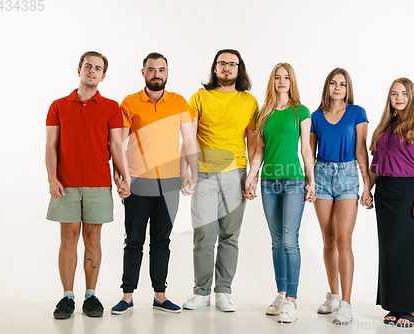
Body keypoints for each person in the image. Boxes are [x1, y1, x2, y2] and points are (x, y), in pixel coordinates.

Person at [110, 52, 198, 315]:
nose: (156, 74)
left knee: (161, 241)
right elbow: (120, 143)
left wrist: (192, 173)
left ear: (167, 73)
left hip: (169, 184)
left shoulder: (179, 102)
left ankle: (160, 295)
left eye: (161, 70)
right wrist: (121, 177)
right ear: (143, 73)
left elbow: (189, 141)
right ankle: (127, 296)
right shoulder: (129, 103)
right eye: (151, 70)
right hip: (137, 182)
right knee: (134, 240)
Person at [46, 51, 129, 319]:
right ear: (79, 69)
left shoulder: (111, 107)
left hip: (97, 184)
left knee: (93, 238)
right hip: (66, 184)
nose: (92, 71)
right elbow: (51, 145)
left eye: (98, 68)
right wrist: (52, 178)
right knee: (68, 238)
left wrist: (122, 175)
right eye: (88, 66)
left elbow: (116, 145)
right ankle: (67, 297)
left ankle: (91, 295)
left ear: (103, 76)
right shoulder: (58, 105)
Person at [181, 49, 258, 312]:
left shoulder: (249, 102)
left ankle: (223, 291)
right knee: (204, 234)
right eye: (222, 63)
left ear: (239, 69)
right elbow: (188, 138)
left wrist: (252, 176)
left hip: (236, 173)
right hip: (203, 174)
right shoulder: (199, 97)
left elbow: (253, 142)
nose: (226, 67)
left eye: (232, 64)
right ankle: (201, 292)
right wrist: (186, 172)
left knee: (230, 235)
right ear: (214, 68)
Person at [243, 63, 316, 323]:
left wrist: (311, 180)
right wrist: (251, 178)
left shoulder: (301, 112)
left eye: (286, 78)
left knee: (289, 240)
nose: (282, 81)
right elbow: (259, 152)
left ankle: (292, 300)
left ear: (291, 81)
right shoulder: (263, 113)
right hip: (268, 183)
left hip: (294, 181)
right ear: (272, 81)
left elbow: (306, 150)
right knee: (276, 240)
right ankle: (281, 293)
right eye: (277, 77)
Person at [368, 78, 414, 328]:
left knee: (406, 249)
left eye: (404, 93)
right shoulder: (385, 128)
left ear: (411, 96)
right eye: (394, 94)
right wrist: (368, 188)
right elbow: (376, 163)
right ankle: (394, 306)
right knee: (389, 250)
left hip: (408, 191)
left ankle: (411, 309)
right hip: (385, 191)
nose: (399, 98)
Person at [309, 68, 371, 324]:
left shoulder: (357, 113)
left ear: (348, 88)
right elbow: (309, 153)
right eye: (333, 83)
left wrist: (367, 185)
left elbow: (361, 150)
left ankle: (346, 302)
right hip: (321, 175)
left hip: (347, 176)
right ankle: (333, 295)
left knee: (345, 239)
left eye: (342, 84)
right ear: (327, 87)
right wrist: (309, 182)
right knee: (329, 239)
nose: (337, 88)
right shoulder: (316, 116)